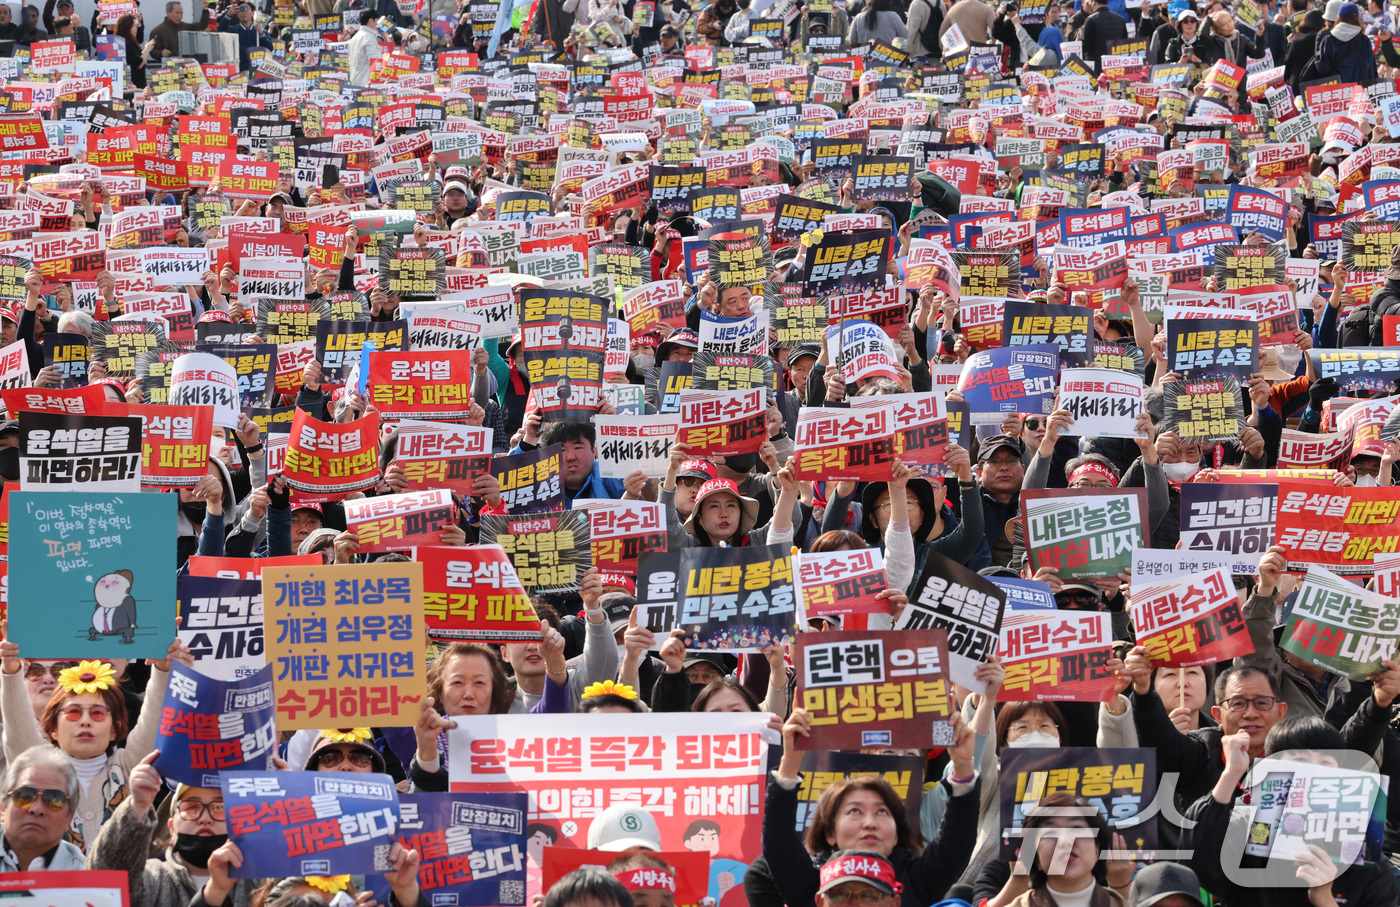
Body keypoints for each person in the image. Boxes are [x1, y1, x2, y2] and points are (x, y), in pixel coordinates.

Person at [0, 745, 86, 870]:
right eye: (25, 796)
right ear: (3, 808)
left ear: (69, 818)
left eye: (53, 800)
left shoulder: (87, 879)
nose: (37, 809)